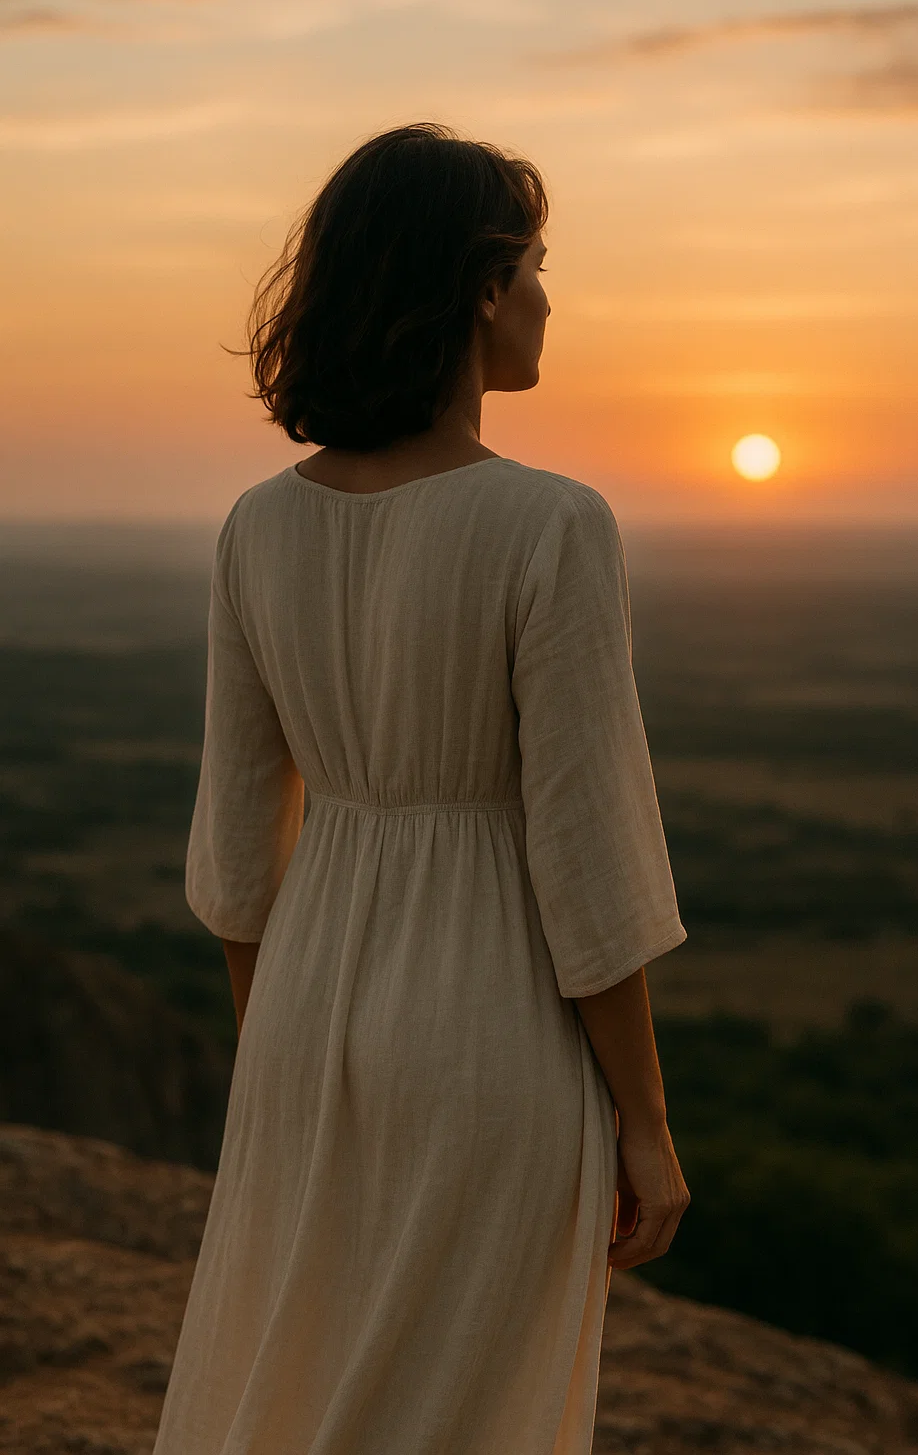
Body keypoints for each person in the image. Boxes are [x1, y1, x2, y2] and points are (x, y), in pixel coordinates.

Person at [152, 122, 689, 1455]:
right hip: (488, 1026)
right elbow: (589, 860)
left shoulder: (256, 527)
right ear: (480, 285)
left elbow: (232, 856)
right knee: (461, 1411)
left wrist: (282, 1052)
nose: (552, 298)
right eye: (539, 265)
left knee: (302, 1385)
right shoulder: (552, 523)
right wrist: (648, 1123)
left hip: (302, 1014)